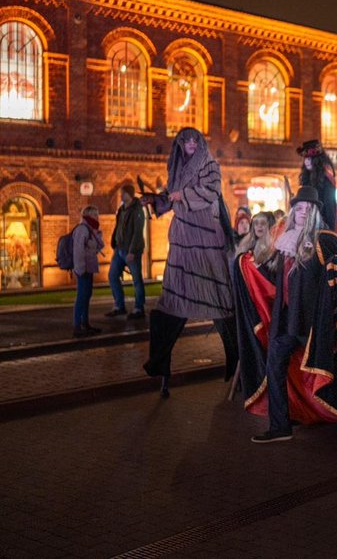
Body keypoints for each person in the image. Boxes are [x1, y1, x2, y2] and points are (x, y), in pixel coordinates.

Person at [247, 187, 337, 444]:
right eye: (299, 207)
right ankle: (280, 425)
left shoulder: (325, 238)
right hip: (286, 319)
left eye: (308, 207)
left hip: (315, 322)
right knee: (274, 365)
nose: (303, 211)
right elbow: (278, 278)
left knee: (334, 370)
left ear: (315, 210)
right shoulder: (285, 238)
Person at [141, 128, 239, 397]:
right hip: (183, 241)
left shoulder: (210, 165)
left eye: (195, 139)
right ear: (180, 144)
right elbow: (169, 199)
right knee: (170, 307)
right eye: (186, 140)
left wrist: (181, 196)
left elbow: (210, 192)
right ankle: (160, 366)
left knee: (220, 303)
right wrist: (156, 199)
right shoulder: (174, 167)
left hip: (206, 240)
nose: (191, 144)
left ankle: (239, 363)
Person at [106, 184, 146, 320]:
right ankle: (119, 305)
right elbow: (118, 227)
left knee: (136, 279)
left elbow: (138, 232)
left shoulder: (137, 209)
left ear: (129, 194)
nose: (121, 196)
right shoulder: (121, 210)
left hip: (131, 250)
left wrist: (132, 251)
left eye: (122, 193)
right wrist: (114, 242)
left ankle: (139, 308)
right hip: (119, 248)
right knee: (112, 276)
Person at [72, 205, 104, 338]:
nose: (97, 217)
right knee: (82, 296)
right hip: (83, 268)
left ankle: (85, 323)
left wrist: (97, 235)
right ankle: (77, 325)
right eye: (95, 214)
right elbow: (78, 251)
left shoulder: (92, 229)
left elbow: (100, 246)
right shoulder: (82, 229)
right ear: (89, 215)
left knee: (87, 295)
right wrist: (80, 268)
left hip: (88, 268)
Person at [296, 139, 337, 232]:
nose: (306, 161)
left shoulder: (326, 177)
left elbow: (329, 205)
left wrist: (330, 231)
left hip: (321, 223)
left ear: (317, 160)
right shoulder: (306, 177)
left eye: (310, 158)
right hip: (307, 221)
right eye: (305, 158)